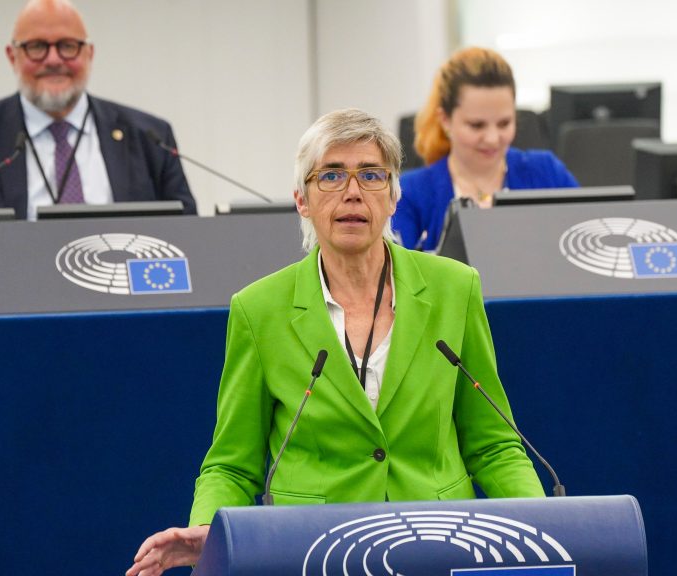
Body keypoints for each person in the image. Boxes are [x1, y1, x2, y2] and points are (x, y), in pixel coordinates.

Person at [126, 109, 545, 576]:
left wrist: (546, 528)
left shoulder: (455, 288)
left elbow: (493, 445)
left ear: (393, 196)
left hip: (437, 543)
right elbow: (232, 464)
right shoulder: (259, 309)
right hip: (312, 549)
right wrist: (208, 528)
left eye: (371, 174)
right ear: (301, 201)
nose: (352, 192)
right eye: (330, 175)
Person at [0, 0, 196, 222]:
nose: (54, 59)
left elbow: (189, 235)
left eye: (67, 46)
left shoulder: (150, 137)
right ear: (12, 56)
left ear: (89, 54)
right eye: (36, 47)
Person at [393, 47, 578, 252]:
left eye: (504, 123)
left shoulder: (548, 173)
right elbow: (395, 268)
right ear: (445, 120)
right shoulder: (410, 193)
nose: (492, 139)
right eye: (477, 125)